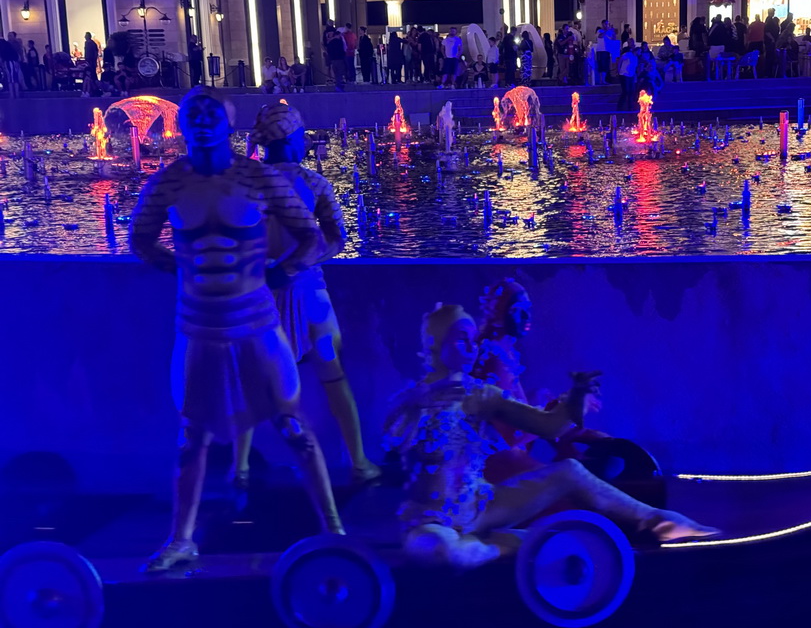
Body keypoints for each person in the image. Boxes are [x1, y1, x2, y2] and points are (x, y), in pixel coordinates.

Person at [129, 87, 344, 572]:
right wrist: (181, 269)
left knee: (292, 425)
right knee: (191, 436)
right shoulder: (167, 183)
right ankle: (180, 539)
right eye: (193, 115)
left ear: (228, 124)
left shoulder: (259, 178)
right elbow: (139, 240)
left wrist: (283, 271)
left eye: (211, 114)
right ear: (182, 126)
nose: (202, 122)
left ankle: (334, 528)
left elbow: (314, 235)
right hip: (198, 325)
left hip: (256, 322)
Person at [386, 304, 717, 568]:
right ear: (436, 343)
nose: (472, 346)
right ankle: (511, 545)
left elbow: (549, 426)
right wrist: (419, 403)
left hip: (481, 506)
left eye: (473, 337)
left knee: (571, 472)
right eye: (460, 337)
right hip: (433, 518)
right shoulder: (413, 399)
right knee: (442, 550)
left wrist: (575, 396)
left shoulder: (482, 394)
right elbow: (391, 438)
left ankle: (659, 522)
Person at [229, 101, 380, 488]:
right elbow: (337, 238)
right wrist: (296, 266)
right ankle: (359, 462)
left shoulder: (244, 184)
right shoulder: (313, 183)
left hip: (260, 299)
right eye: (301, 138)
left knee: (252, 380)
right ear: (292, 141)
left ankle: (241, 468)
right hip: (311, 297)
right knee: (332, 375)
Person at [616, 45, 637, 110]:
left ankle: (630, 107)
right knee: (626, 91)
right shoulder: (627, 54)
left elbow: (634, 67)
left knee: (631, 91)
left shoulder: (635, 57)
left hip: (631, 75)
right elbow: (620, 61)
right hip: (624, 74)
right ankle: (620, 107)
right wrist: (619, 70)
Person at [596, 20, 616, 84]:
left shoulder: (610, 32)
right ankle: (601, 80)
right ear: (602, 24)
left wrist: (613, 31)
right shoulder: (599, 31)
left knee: (606, 65)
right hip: (601, 50)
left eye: (607, 24)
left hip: (607, 50)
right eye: (605, 24)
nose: (606, 25)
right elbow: (600, 36)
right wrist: (607, 30)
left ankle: (604, 80)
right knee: (601, 65)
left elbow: (614, 38)